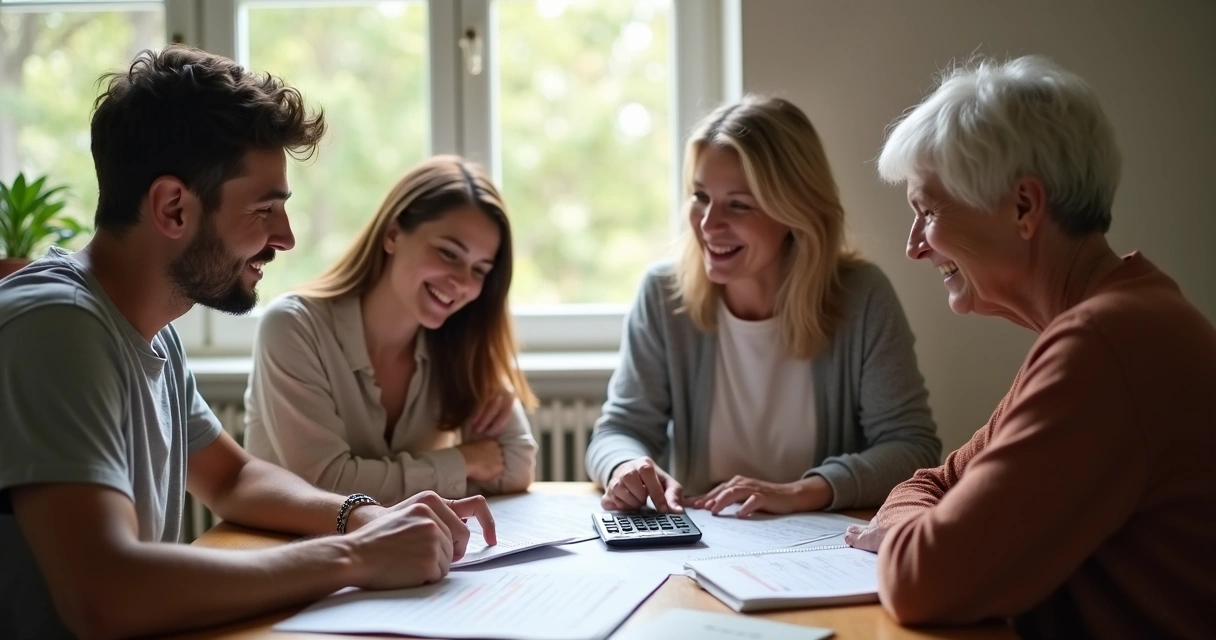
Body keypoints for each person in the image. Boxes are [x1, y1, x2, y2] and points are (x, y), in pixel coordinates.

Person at [0, 46, 495, 640]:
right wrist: (355, 558)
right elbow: (104, 593)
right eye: (266, 209)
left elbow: (232, 479)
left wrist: (365, 517)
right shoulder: (57, 326)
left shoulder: (144, 327)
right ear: (173, 207)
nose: (285, 238)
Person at [844, 55, 1216, 637]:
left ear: (1024, 207)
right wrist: (919, 525)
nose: (915, 247)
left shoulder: (1106, 345)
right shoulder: (1105, 323)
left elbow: (924, 580)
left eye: (928, 211)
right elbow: (930, 483)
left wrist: (904, 536)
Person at [584, 95, 941, 517]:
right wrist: (626, 466)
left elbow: (912, 448)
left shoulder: (862, 297)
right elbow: (619, 430)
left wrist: (802, 492)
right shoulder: (663, 294)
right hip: (702, 542)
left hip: (818, 545)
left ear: (794, 211)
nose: (708, 223)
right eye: (700, 196)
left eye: (738, 204)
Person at [243, 156, 538, 503]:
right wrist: (463, 462)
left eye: (480, 270)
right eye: (448, 253)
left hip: (398, 551)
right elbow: (324, 486)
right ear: (394, 234)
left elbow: (516, 465)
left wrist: (376, 478)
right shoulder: (292, 327)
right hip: (282, 550)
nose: (462, 284)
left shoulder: (459, 341)